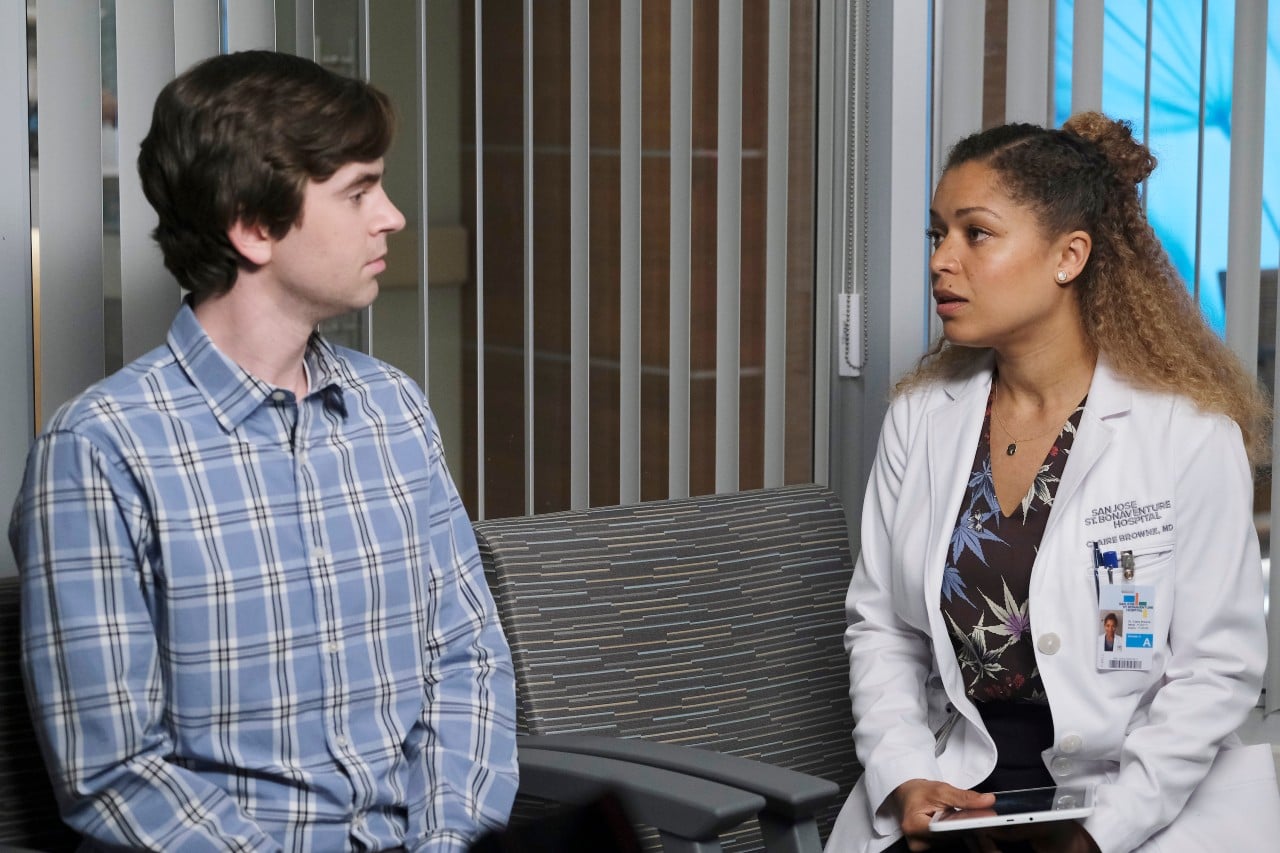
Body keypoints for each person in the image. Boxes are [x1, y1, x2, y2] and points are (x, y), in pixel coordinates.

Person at [9, 50, 518, 851]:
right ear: (252, 226)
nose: (392, 216)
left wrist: (449, 841)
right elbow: (114, 770)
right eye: (358, 191)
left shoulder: (393, 408)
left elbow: (468, 662)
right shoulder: (100, 451)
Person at [824, 113, 1280, 853]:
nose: (941, 261)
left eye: (976, 233)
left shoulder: (1188, 435)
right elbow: (883, 628)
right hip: (958, 787)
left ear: (1069, 256)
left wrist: (1100, 832)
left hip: (1134, 799)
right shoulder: (921, 418)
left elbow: (1215, 671)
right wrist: (906, 776)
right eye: (937, 234)